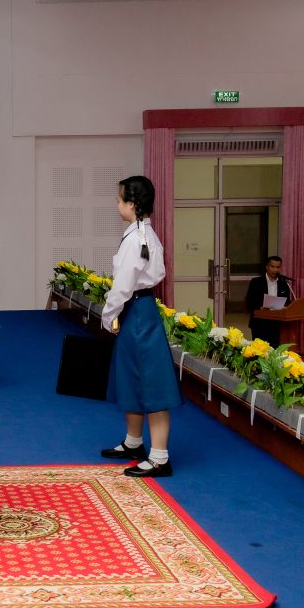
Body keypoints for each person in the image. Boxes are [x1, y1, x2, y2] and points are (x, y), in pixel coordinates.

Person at [100, 175, 182, 478]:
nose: (117, 205)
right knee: (133, 376)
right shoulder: (142, 234)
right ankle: (134, 442)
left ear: (132, 204)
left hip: (136, 310)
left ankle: (159, 457)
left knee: (151, 382)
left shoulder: (136, 238)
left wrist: (108, 315)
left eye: (119, 200)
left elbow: (123, 285)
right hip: (141, 308)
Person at [245, 255, 293, 346]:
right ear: (267, 267)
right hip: (260, 322)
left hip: (277, 322)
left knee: (275, 349)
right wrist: (260, 307)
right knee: (260, 349)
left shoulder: (283, 283)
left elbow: (287, 301)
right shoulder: (256, 282)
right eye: (272, 266)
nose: (275, 270)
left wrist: (286, 307)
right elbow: (249, 302)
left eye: (278, 267)